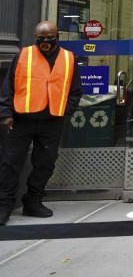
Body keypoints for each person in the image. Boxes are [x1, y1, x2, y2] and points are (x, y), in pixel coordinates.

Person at [0, 21, 82, 225]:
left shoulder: (68, 58)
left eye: (50, 37)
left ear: (57, 36)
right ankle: (4, 206)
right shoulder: (23, 55)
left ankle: (33, 202)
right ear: (35, 36)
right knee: (10, 164)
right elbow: (8, 86)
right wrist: (6, 113)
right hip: (21, 120)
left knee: (45, 164)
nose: (45, 41)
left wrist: (65, 111)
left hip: (52, 120)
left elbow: (75, 90)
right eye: (41, 38)